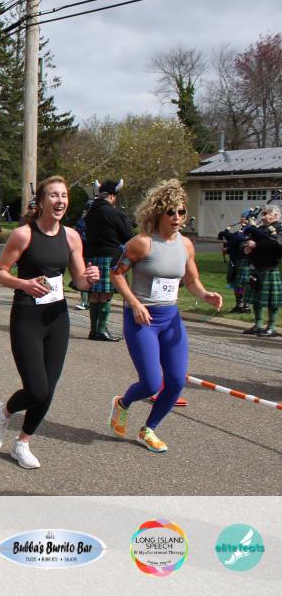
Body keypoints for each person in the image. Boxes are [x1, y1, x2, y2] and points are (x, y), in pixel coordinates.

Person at [0, 176, 100, 469]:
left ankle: (22, 443)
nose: (60, 201)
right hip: (27, 316)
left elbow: (79, 281)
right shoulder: (24, 235)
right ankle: (3, 413)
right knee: (36, 389)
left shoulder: (72, 237)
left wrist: (90, 278)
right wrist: (24, 284)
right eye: (54, 195)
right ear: (42, 202)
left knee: (49, 386)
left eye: (64, 196)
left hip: (57, 318)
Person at [108, 180, 222, 452]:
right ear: (158, 213)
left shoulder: (186, 245)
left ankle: (149, 429)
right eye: (171, 212)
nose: (177, 217)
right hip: (142, 320)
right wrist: (135, 303)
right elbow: (116, 274)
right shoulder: (142, 243)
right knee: (151, 383)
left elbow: (191, 280)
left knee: (176, 380)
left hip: (170, 319)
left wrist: (206, 294)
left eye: (181, 212)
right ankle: (123, 403)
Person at [84, 179, 134, 341]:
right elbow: (128, 236)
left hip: (92, 256)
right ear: (112, 196)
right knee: (106, 294)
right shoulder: (114, 213)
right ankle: (101, 330)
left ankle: (93, 330)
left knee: (94, 294)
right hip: (109, 256)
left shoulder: (90, 213)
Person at [242, 205, 282, 336]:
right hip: (256, 268)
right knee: (257, 299)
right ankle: (258, 325)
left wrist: (257, 244)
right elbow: (246, 240)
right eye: (263, 214)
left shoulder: (279, 228)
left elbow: (278, 244)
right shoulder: (261, 229)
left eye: (266, 214)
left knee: (272, 301)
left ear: (275, 215)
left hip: (270, 268)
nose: (263, 217)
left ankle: (271, 327)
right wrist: (246, 247)